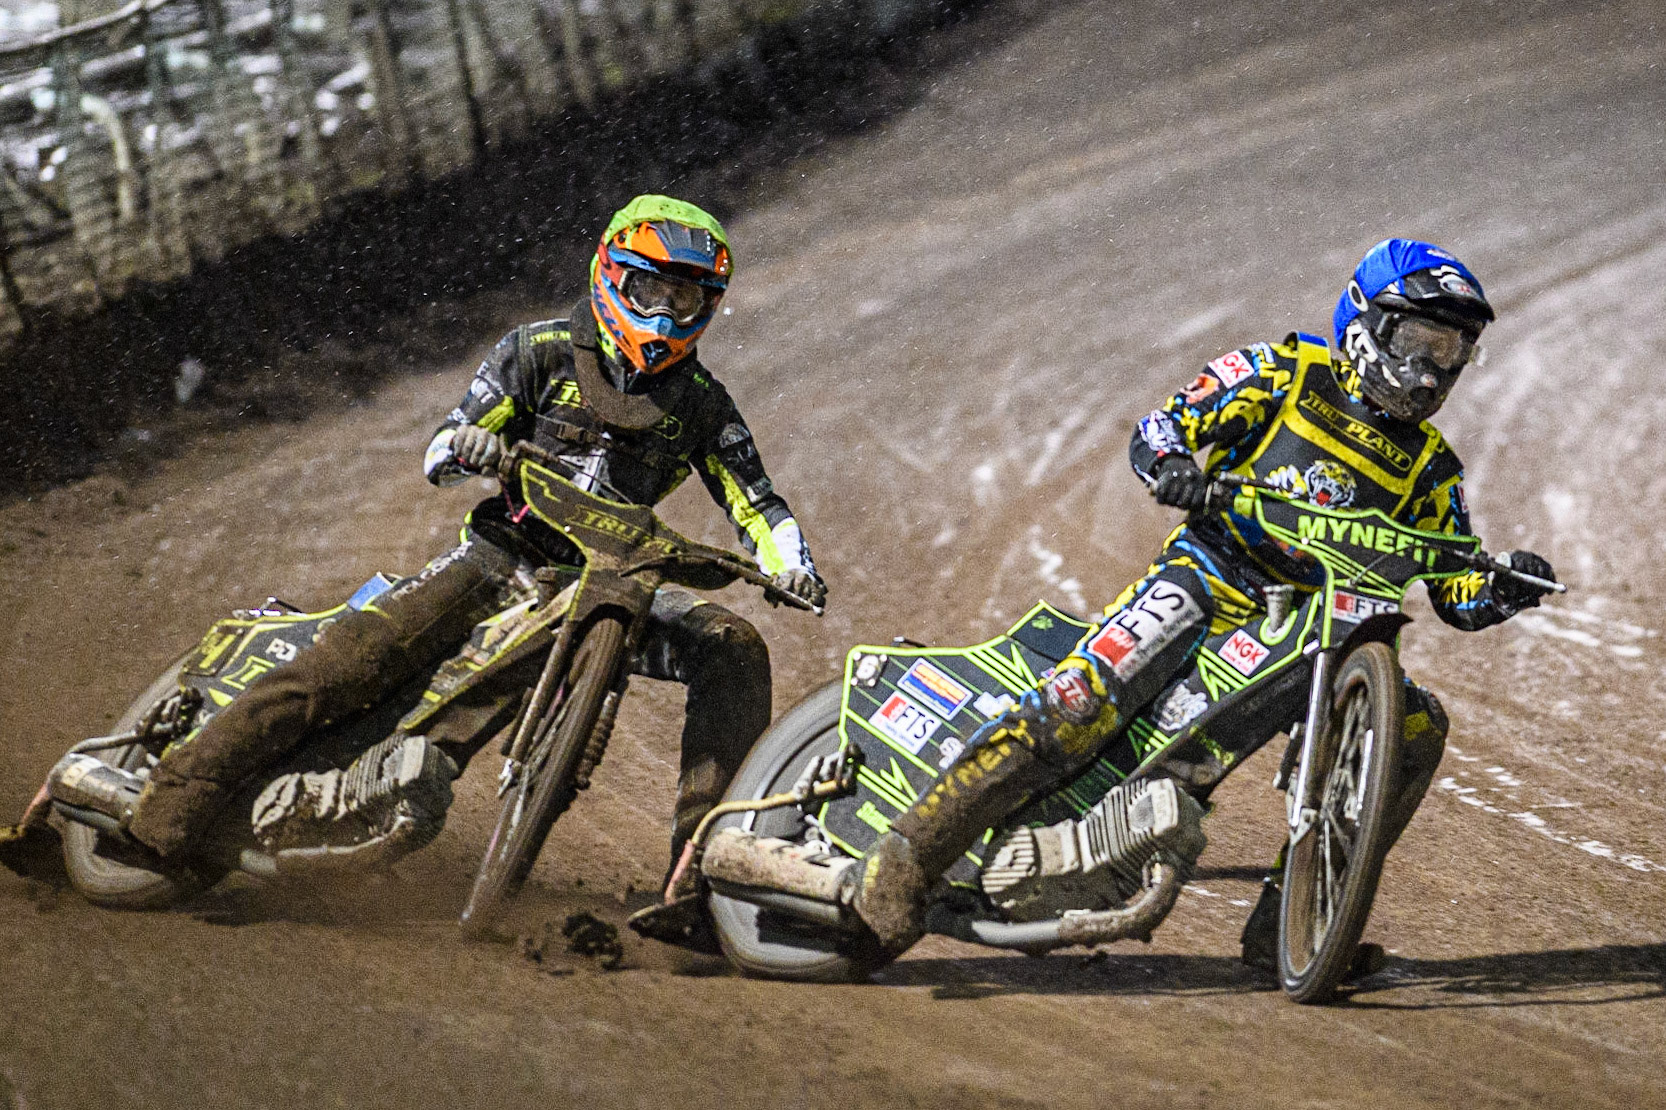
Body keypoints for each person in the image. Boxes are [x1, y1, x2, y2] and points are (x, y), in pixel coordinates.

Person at [60, 194, 826, 888]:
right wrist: (470, 449)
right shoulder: (540, 350)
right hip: (500, 560)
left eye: (684, 297)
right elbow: (440, 449)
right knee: (346, 666)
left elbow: (757, 502)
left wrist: (791, 564)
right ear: (610, 275)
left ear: (707, 306)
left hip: (618, 583)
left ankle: (697, 882)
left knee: (732, 645)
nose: (663, 314)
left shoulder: (702, 406)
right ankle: (167, 807)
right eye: (649, 289)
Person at [845, 238, 1557, 967]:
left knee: (1416, 725)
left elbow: (1457, 592)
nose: (1431, 369)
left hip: (1321, 636)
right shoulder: (1283, 372)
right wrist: (1174, 468)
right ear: (1363, 324)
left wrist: (1505, 585)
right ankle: (905, 859)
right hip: (1210, 579)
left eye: (1451, 352)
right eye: (1417, 341)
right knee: (1085, 701)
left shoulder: (1433, 469)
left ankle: (1292, 928)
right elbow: (1163, 427)